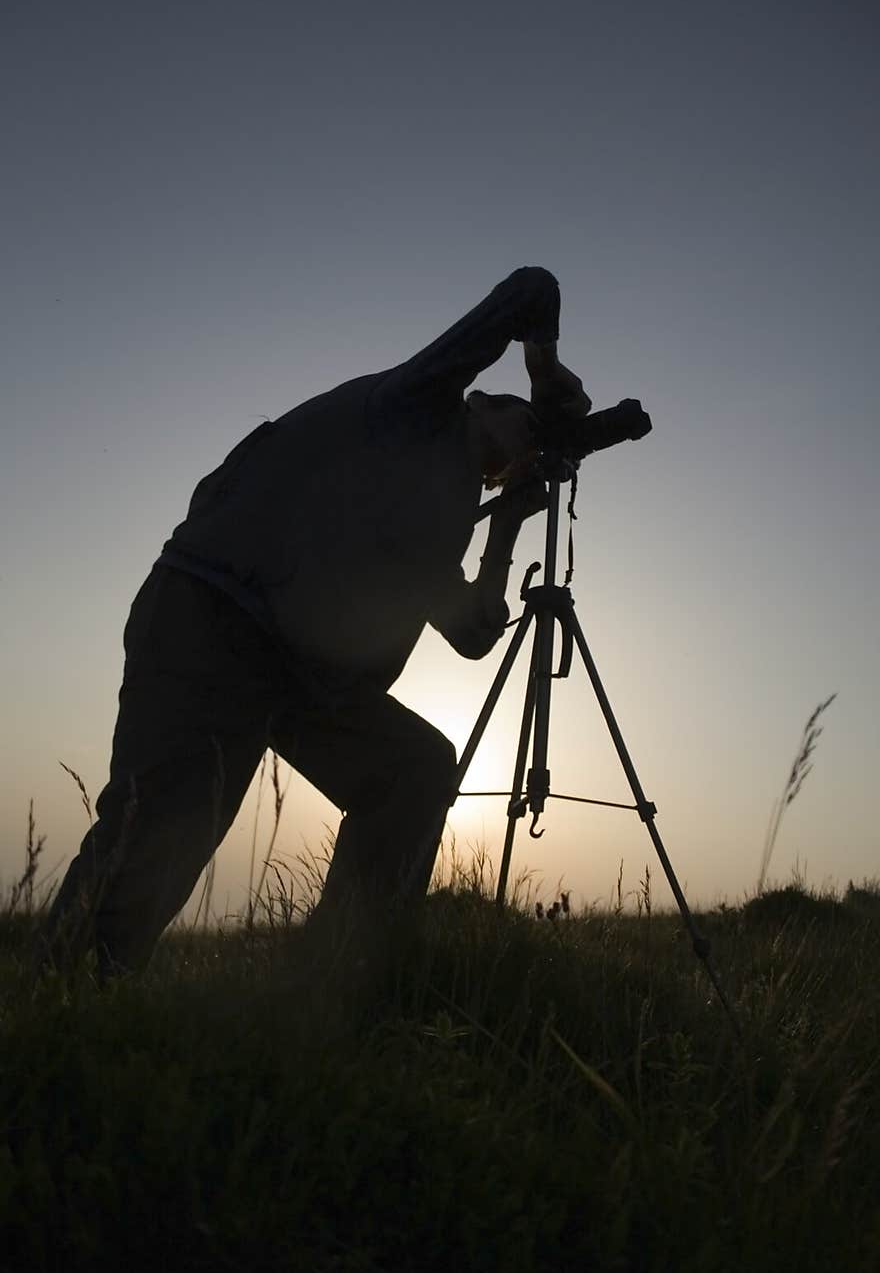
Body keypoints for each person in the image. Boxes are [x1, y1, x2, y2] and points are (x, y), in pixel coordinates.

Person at [39, 266, 591, 978]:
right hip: (216, 617)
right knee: (161, 833)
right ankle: (60, 1014)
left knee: (414, 769)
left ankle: (332, 985)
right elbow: (531, 288)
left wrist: (505, 528)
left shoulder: (447, 507)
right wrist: (544, 372)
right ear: (481, 400)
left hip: (301, 674)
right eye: (524, 423)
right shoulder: (411, 406)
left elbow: (475, 635)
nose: (527, 443)